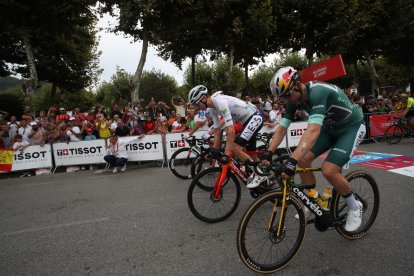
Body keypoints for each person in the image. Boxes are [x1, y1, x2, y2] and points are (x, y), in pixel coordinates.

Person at [264, 66, 366, 232]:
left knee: (329, 170)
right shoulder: (293, 99)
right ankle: (311, 201)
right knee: (303, 160)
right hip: (330, 129)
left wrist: (291, 161)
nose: (287, 101)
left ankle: (355, 206)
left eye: (288, 95)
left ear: (298, 84)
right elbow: (282, 128)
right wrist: (268, 152)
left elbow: (312, 131)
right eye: (282, 98)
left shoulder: (318, 91)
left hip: (351, 127)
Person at [188, 85, 263, 165]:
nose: (197, 108)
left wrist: (226, 154)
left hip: (255, 118)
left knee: (234, 148)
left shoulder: (220, 102)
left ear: (203, 98)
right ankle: (264, 171)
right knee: (252, 155)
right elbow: (217, 130)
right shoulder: (213, 108)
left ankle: (257, 173)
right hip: (247, 121)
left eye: (196, 104)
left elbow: (231, 130)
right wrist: (215, 150)